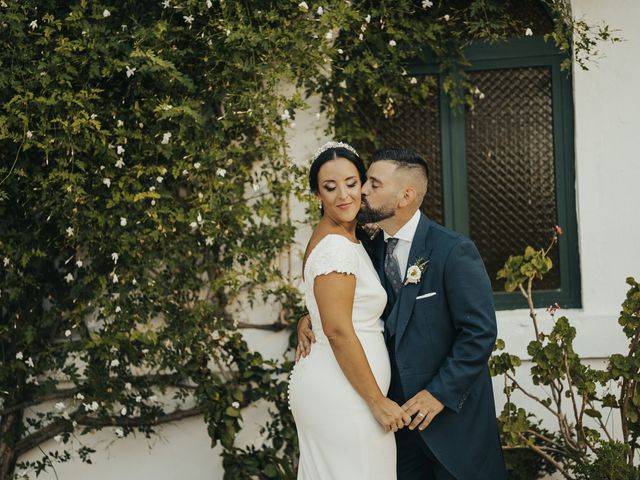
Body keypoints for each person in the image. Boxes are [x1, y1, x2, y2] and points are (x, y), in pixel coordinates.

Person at [297, 148, 507, 479]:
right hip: (395, 423)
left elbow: (479, 333)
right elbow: (344, 300)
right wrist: (312, 317)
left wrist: (438, 394)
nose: (362, 191)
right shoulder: (367, 246)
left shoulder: (453, 251)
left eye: (372, 184)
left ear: (405, 195)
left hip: (451, 422)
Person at [288, 142, 410, 480]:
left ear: (363, 185)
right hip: (346, 396)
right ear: (317, 195)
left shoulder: (345, 237)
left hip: (346, 390)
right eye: (330, 187)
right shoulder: (335, 247)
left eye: (351, 183)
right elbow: (338, 329)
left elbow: (329, 306)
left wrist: (306, 316)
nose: (343, 195)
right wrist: (375, 400)